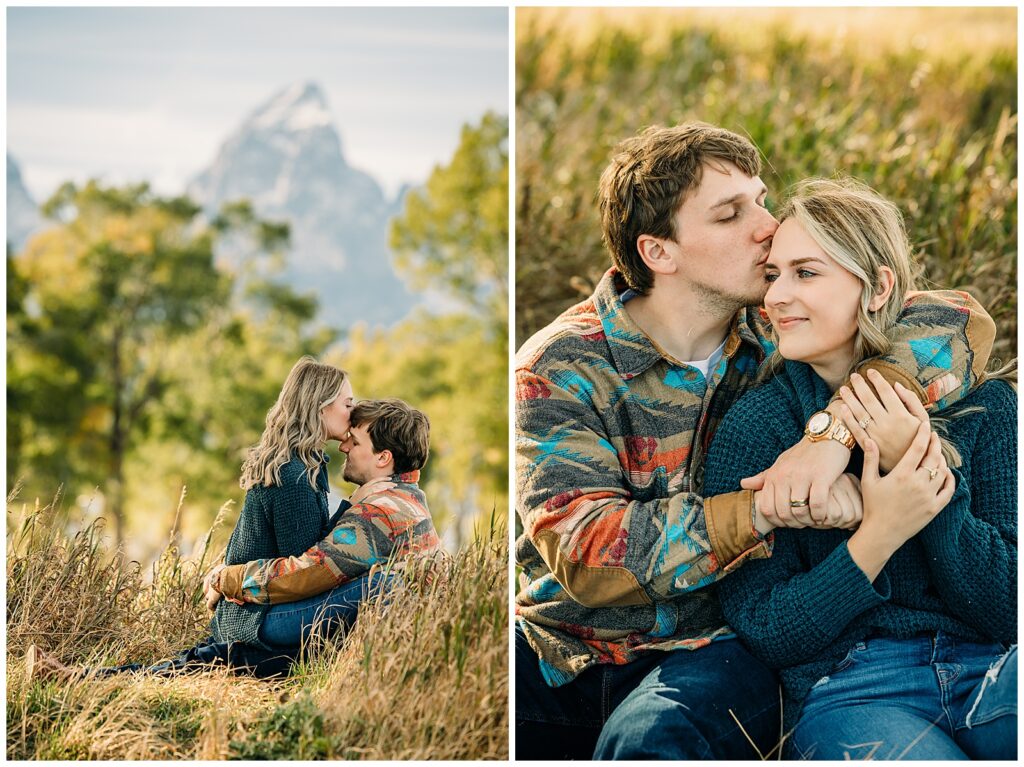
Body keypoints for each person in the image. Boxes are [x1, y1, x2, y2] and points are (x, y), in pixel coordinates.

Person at [514, 123, 997, 760]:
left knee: (653, 739)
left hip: (709, 647)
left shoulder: (782, 331)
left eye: (761, 200)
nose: (766, 225)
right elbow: (588, 552)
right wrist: (770, 504)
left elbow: (958, 319)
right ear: (660, 252)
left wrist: (833, 432)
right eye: (730, 213)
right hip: (561, 650)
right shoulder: (560, 366)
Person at [704, 177, 1016, 760]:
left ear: (877, 288)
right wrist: (878, 536)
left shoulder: (984, 407)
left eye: (807, 273)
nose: (776, 297)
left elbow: (1010, 604)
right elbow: (766, 628)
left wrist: (925, 486)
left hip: (995, 666)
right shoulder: (759, 429)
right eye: (773, 275)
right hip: (855, 690)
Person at [27, 355, 360, 680]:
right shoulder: (294, 475)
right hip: (257, 620)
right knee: (192, 667)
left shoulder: (301, 466)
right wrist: (358, 511)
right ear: (320, 406)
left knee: (191, 666)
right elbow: (302, 571)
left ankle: (72, 675)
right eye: (347, 403)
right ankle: (73, 676)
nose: (354, 411)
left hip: (246, 613)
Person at [204, 398, 441, 630]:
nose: (343, 446)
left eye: (355, 442)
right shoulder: (408, 497)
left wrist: (225, 578)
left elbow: (307, 573)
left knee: (381, 585)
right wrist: (352, 504)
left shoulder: (379, 512)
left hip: (290, 621)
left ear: (383, 457)